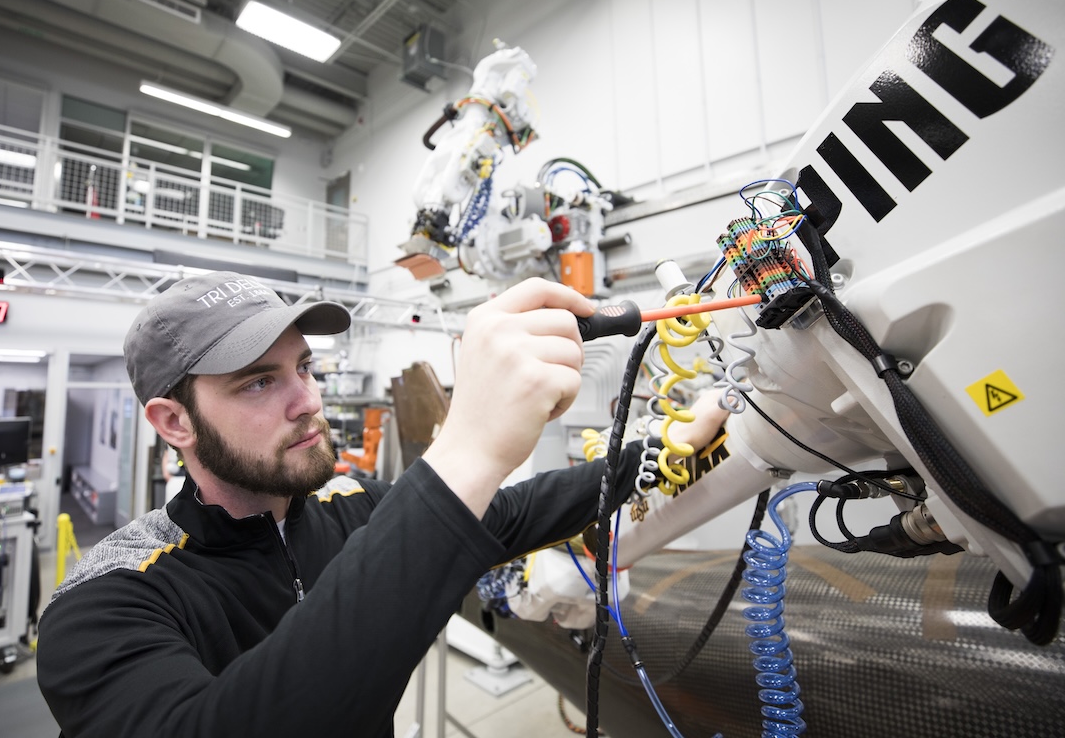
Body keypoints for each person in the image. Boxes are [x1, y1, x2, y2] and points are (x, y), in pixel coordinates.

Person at [34, 271, 676, 737]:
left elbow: (507, 514)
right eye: (259, 381)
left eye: (305, 368)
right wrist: (465, 449)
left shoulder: (349, 506)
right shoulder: (104, 603)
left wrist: (652, 452)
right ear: (175, 421)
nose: (307, 400)